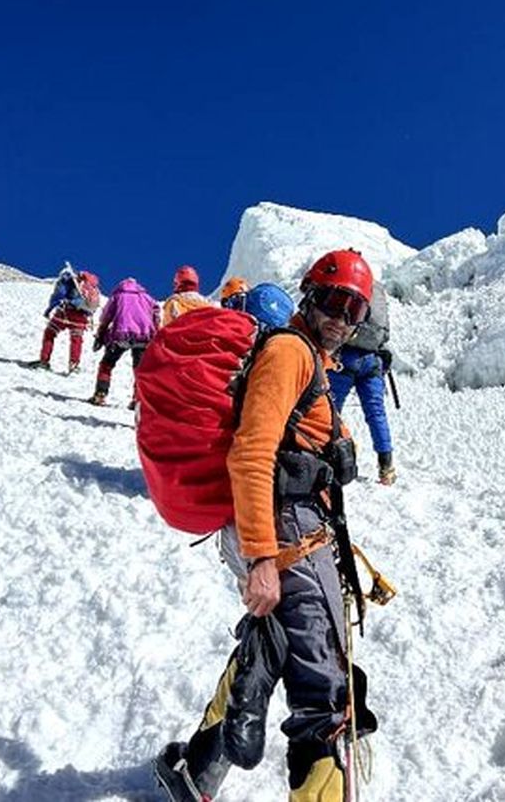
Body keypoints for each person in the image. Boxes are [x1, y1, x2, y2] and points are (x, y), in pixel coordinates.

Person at [153, 250, 378, 802]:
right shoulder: (289, 353)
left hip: (293, 529)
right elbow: (252, 453)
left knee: (274, 647)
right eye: (332, 299)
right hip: (283, 534)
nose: (341, 317)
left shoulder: (313, 365)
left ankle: (196, 774)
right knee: (322, 688)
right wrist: (261, 559)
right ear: (308, 295)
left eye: (355, 310)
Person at [328, 280, 397, 485]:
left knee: (331, 409)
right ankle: (386, 467)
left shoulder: (349, 286)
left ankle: (335, 454)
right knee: (376, 412)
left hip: (346, 357)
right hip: (373, 360)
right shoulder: (378, 293)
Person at [88, 277, 159, 407]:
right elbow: (156, 313)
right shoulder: (147, 297)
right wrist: (155, 333)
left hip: (121, 335)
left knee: (107, 364)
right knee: (139, 370)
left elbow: (106, 316)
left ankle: (100, 394)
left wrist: (101, 334)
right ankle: (137, 400)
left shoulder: (118, 295)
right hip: (144, 337)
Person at [32, 267, 100, 374]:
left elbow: (59, 294)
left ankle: (44, 360)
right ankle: (74, 365)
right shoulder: (91, 284)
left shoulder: (68, 278)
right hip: (82, 316)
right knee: (76, 340)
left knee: (49, 333)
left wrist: (49, 310)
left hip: (66, 312)